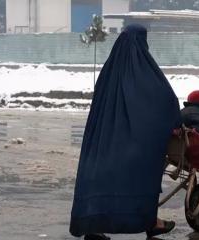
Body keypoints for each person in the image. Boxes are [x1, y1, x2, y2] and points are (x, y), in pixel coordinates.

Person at [69, 24, 180, 240]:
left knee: (99, 177)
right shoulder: (145, 71)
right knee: (142, 177)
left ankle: (93, 226)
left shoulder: (109, 71)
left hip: (104, 142)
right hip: (133, 146)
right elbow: (164, 100)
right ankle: (150, 222)